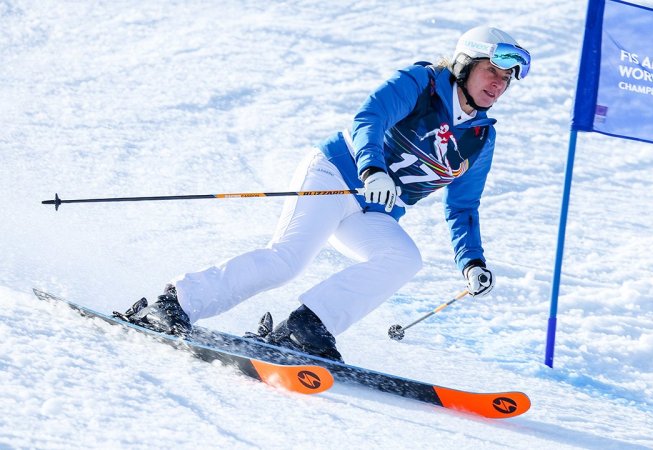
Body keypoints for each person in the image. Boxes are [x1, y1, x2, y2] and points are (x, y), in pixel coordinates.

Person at [117, 25, 531, 363]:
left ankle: (307, 326)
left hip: (373, 211)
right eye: (492, 71)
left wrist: (471, 261)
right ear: (464, 64)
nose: (499, 84)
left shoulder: (479, 137)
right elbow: (369, 117)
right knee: (286, 260)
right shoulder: (422, 82)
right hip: (336, 174)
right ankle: (176, 303)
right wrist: (372, 167)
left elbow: (463, 206)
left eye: (507, 79)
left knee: (403, 259)